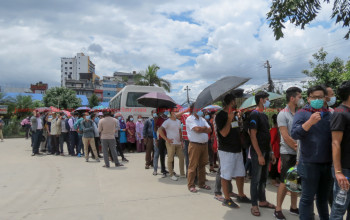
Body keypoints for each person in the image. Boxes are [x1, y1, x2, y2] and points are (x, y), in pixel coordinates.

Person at [291, 85, 333, 220]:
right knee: (307, 198)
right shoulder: (302, 113)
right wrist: (309, 122)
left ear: (325, 98)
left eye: (320, 97)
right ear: (308, 98)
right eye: (314, 97)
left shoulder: (329, 114)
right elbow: (294, 134)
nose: (317, 100)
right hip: (309, 163)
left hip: (327, 163)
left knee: (323, 199)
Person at [215, 94, 251, 208]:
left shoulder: (234, 114)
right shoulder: (220, 115)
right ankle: (227, 199)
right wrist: (229, 120)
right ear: (231, 101)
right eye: (235, 100)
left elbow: (236, 129)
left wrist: (236, 119)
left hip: (237, 149)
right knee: (226, 175)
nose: (236, 102)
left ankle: (241, 195)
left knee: (240, 173)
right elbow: (224, 133)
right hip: (226, 150)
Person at [274, 87, 302, 219]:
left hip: (297, 153)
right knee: (285, 182)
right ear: (292, 98)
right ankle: (278, 209)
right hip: (288, 153)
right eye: (299, 97)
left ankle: (293, 207)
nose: (300, 99)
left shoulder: (298, 113)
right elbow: (285, 136)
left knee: (294, 181)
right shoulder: (283, 114)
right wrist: (299, 149)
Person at [249, 91, 277, 217]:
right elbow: (253, 136)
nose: (268, 101)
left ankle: (263, 201)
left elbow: (267, 135)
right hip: (257, 152)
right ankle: (254, 204)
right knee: (255, 179)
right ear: (261, 100)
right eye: (266, 99)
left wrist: (270, 152)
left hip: (266, 150)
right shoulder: (254, 115)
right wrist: (259, 154)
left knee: (263, 179)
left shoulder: (264, 115)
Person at [330, 80, 350, 220]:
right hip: (344, 170)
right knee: (339, 209)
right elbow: (335, 143)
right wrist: (338, 172)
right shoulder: (340, 112)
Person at [186, 104, 212, 192]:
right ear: (194, 109)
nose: (201, 110)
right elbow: (196, 130)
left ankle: (201, 183)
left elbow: (210, 129)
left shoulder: (202, 119)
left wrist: (202, 129)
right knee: (193, 166)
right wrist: (204, 129)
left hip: (204, 145)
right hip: (195, 145)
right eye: (199, 108)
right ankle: (191, 185)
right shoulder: (190, 119)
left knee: (202, 165)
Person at [158, 108, 185, 181]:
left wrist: (181, 140)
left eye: (177, 111)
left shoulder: (178, 121)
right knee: (170, 159)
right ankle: (171, 174)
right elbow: (160, 130)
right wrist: (166, 139)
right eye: (176, 112)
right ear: (172, 113)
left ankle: (182, 174)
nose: (177, 113)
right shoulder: (167, 122)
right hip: (171, 143)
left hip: (178, 143)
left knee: (182, 158)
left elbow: (180, 131)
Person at [155, 109, 169, 178]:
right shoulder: (159, 119)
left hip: (169, 138)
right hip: (161, 138)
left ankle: (170, 169)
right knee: (162, 154)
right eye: (164, 110)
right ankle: (163, 170)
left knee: (170, 154)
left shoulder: (169, 119)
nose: (166, 112)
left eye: (167, 111)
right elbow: (156, 128)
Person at [269, 114, 280, 187]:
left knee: (275, 164)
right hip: (274, 149)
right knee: (274, 164)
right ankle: (273, 180)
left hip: (276, 149)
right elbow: (271, 140)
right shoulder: (274, 129)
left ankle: (275, 179)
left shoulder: (275, 129)